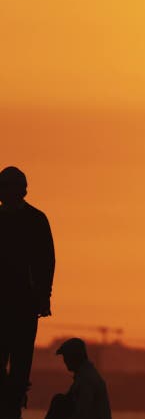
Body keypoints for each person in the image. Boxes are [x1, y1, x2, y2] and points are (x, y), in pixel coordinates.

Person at [0, 166, 56, 419]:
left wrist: (44, 296)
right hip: (10, 305)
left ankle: (13, 405)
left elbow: (46, 262)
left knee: (20, 367)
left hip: (23, 304)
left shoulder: (35, 220)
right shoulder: (32, 219)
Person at [45, 338, 112, 419]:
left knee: (58, 401)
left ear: (74, 356)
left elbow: (82, 412)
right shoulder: (85, 375)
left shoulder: (86, 380)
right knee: (59, 400)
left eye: (66, 356)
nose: (65, 361)